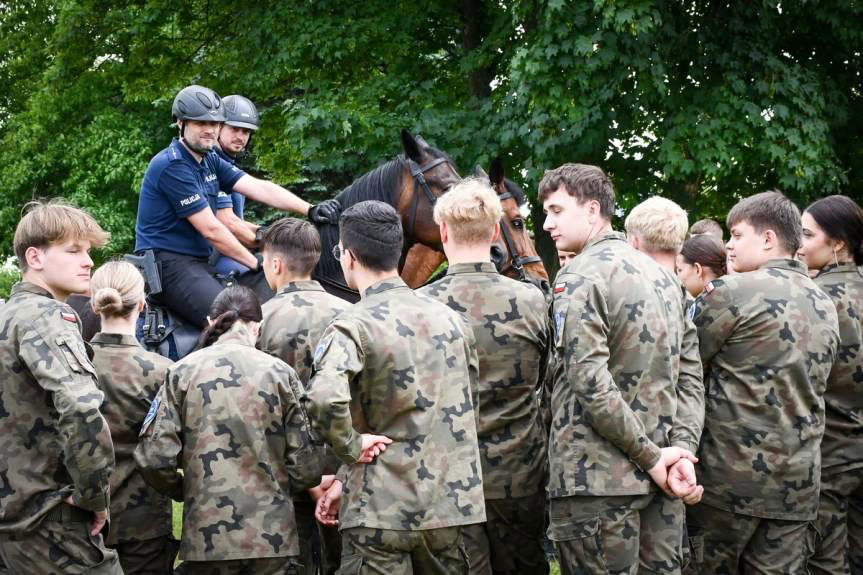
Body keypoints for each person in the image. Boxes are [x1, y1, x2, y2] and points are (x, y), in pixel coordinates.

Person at [305, 200, 486, 574]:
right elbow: (470, 406)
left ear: (348, 256)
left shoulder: (352, 325)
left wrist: (352, 447)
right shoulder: (453, 322)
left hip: (380, 509)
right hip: (447, 507)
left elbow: (323, 398)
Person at [540, 164, 701, 575]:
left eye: (557, 211)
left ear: (592, 210)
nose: (546, 224)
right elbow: (689, 378)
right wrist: (680, 451)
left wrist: (655, 457)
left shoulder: (579, 276)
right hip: (660, 479)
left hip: (598, 485)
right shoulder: (667, 280)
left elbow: (588, 379)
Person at [687, 190, 840, 573]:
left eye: (737, 235)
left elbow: (686, 368)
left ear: (769, 239)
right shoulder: (825, 302)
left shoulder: (730, 292)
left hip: (726, 486)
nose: (728, 246)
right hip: (797, 485)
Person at [134, 286, 322, 574]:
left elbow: (154, 458)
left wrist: (187, 490)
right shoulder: (281, 375)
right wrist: (276, 488)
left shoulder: (182, 372)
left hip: (205, 538)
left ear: (211, 323)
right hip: (271, 539)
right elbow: (307, 467)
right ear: (257, 327)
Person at [418, 178, 550, 574]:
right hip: (519, 473)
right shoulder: (531, 301)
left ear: (443, 232)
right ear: (495, 231)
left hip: (446, 476)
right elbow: (549, 378)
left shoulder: (420, 306)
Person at [134, 84, 340, 328]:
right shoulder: (172, 165)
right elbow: (213, 229)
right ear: (180, 123)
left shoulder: (209, 159)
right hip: (169, 264)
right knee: (235, 322)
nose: (210, 130)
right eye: (201, 123)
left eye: (215, 124)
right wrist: (256, 263)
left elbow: (258, 186)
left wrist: (309, 209)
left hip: (198, 262)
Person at [0, 200, 120, 574]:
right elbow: (82, 408)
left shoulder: (7, 316)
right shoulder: (48, 317)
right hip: (49, 522)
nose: (88, 262)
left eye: (88, 252)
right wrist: (93, 496)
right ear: (35, 258)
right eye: (73, 251)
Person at [258, 217, 350, 575]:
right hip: (345, 478)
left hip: (281, 480)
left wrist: (309, 483)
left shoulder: (259, 322)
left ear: (276, 263)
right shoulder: (351, 315)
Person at [624, 196, 706, 569]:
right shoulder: (682, 297)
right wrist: (684, 450)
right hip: (671, 463)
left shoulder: (615, 290)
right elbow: (692, 382)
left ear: (634, 242)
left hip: (618, 467)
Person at [88, 261, 176, 574]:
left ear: (94, 302)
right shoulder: (162, 370)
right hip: (145, 520)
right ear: (142, 304)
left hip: (82, 516)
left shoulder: (72, 363)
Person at [797, 195, 863, 574]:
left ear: (838, 243)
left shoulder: (814, 298)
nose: (800, 244)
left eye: (807, 235)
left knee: (826, 564)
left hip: (829, 455)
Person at [212, 94, 264, 276]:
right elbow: (230, 225)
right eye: (234, 129)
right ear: (218, 127)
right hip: (211, 258)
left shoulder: (229, 167)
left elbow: (239, 223)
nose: (240, 137)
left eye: (246, 131)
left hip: (228, 252)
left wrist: (268, 233)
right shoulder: (210, 165)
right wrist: (272, 244)